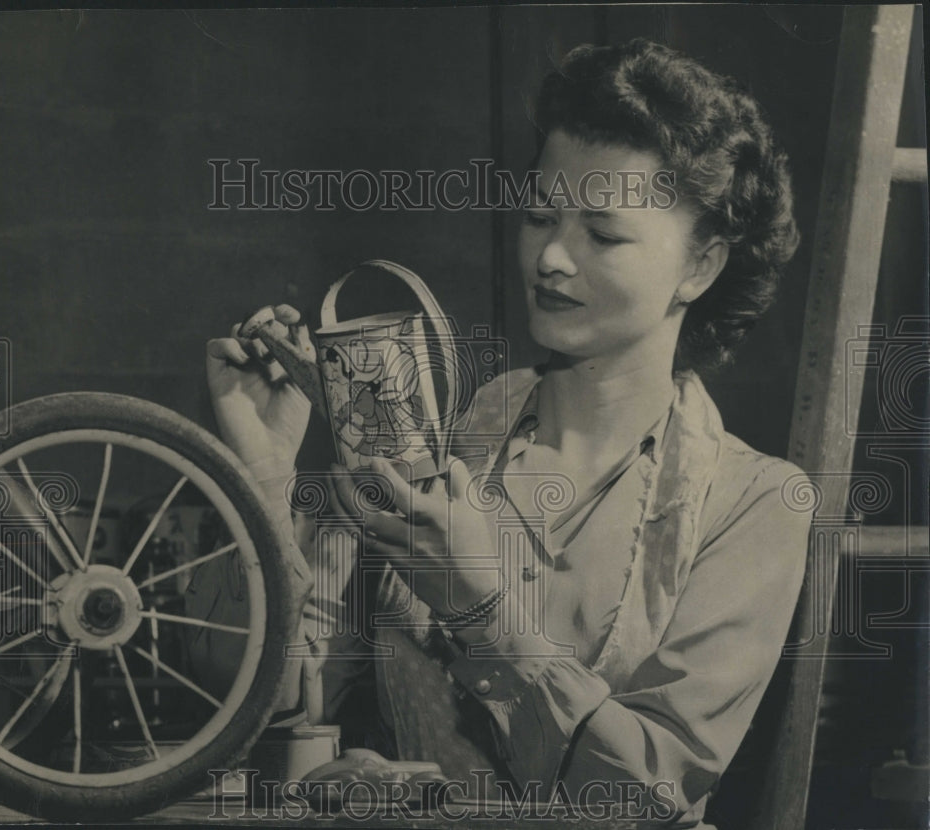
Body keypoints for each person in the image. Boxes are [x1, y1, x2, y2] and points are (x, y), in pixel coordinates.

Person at [205, 38, 811, 828]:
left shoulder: (753, 502)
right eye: (539, 217)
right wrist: (264, 479)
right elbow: (281, 707)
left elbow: (645, 792)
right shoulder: (430, 446)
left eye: (602, 234)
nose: (551, 256)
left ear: (700, 267)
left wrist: (477, 606)